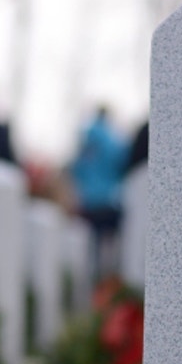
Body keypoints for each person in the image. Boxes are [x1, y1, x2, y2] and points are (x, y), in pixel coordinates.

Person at [70, 106, 127, 275]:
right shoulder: (112, 139)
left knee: (92, 243)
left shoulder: (86, 139)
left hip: (89, 200)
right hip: (109, 199)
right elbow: (120, 164)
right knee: (110, 244)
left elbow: (77, 169)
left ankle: (93, 278)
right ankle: (107, 279)